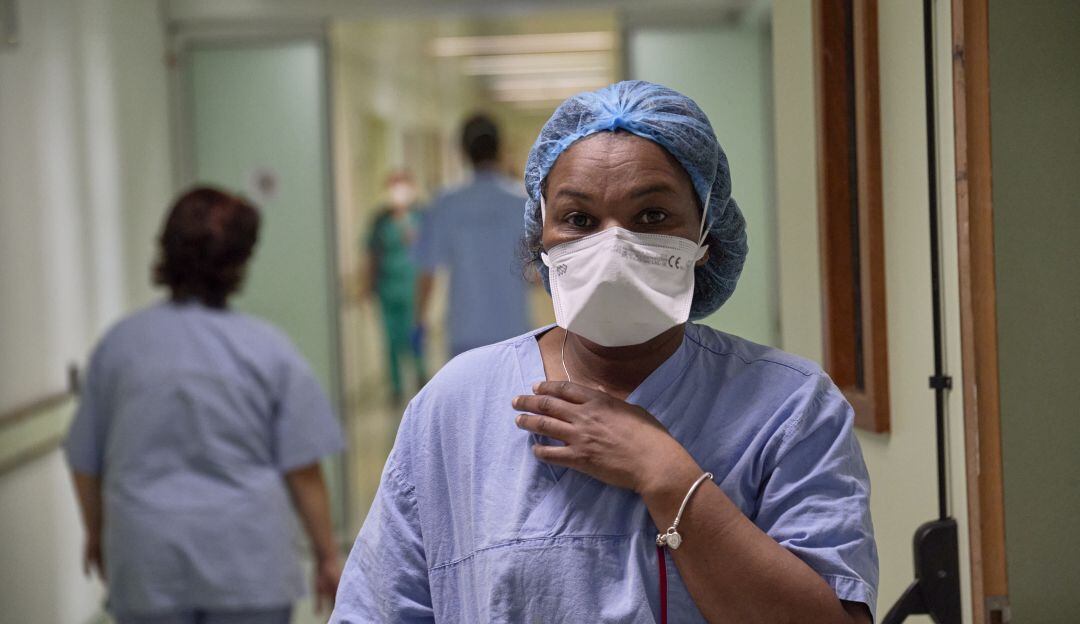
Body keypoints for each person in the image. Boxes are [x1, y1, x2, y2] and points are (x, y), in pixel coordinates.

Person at [331, 82, 877, 622]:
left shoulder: (790, 409)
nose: (612, 245)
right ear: (540, 237)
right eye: (579, 220)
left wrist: (667, 475)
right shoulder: (456, 407)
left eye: (652, 217)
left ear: (707, 234)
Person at [65, 187, 346, 624]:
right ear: (238, 264)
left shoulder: (119, 347)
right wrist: (327, 554)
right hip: (248, 570)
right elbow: (303, 469)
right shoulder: (268, 350)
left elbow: (85, 461)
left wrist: (97, 533)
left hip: (146, 566)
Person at [413, 114, 531, 357]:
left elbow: (428, 271)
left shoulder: (446, 204)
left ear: (462, 151)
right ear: (500, 148)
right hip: (513, 331)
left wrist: (419, 320)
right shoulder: (521, 202)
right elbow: (540, 270)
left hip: (465, 332)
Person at [365, 170, 426, 402]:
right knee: (391, 338)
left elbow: (428, 253)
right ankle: (396, 385)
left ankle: (421, 374)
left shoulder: (420, 216)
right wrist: (367, 285)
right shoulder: (380, 221)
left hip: (412, 285)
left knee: (415, 333)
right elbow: (371, 253)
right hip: (387, 286)